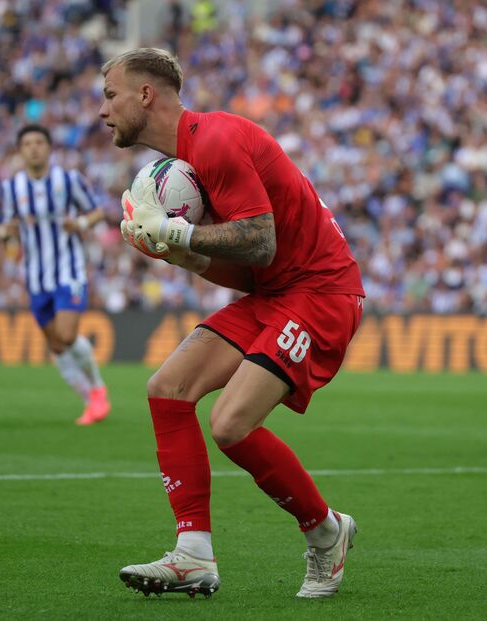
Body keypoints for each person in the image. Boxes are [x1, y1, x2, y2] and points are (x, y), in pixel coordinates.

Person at [99, 48, 365, 599]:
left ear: (146, 95)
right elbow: (253, 271)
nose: (103, 111)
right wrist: (180, 255)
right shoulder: (191, 167)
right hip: (276, 291)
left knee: (229, 424)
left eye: (110, 95)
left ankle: (325, 533)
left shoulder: (216, 140)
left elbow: (260, 241)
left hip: (322, 294)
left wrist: (179, 235)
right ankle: (193, 554)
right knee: (166, 389)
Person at [0, 125, 111, 425]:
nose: (33, 148)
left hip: (68, 270)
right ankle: (90, 401)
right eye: (27, 143)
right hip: (35, 276)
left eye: (39, 142)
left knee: (67, 334)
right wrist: (5, 236)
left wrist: (81, 225)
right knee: (57, 345)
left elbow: (97, 212)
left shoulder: (68, 180)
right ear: (20, 151)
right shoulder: (11, 189)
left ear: (48, 148)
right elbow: (7, 229)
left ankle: (98, 390)